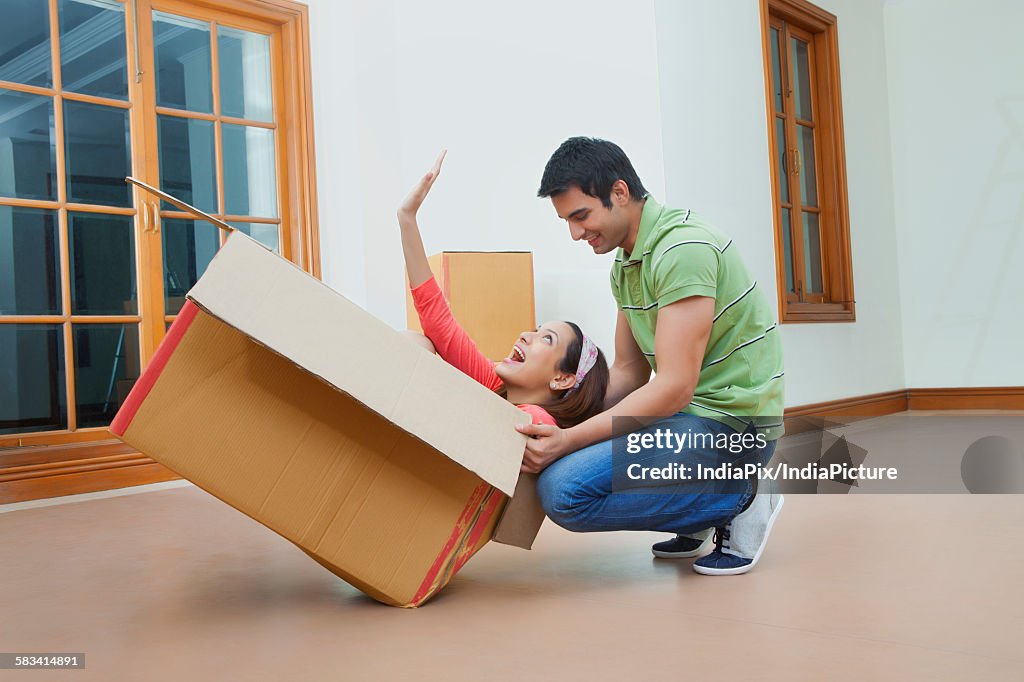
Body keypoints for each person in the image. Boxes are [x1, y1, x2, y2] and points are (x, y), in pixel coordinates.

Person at [518, 137, 786, 575]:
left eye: (580, 216)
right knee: (565, 461)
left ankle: (739, 498)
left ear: (619, 193)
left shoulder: (683, 250)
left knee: (564, 491)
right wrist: (562, 420)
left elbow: (675, 386)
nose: (574, 233)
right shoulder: (626, 265)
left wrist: (570, 440)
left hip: (732, 426)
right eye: (566, 220)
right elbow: (628, 371)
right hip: (688, 418)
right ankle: (697, 509)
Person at [398, 150, 610, 432]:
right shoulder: (498, 391)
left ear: (562, 379)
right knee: (417, 342)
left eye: (546, 339)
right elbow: (438, 321)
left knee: (416, 350)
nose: (526, 335)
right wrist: (407, 218)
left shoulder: (537, 421)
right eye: (536, 330)